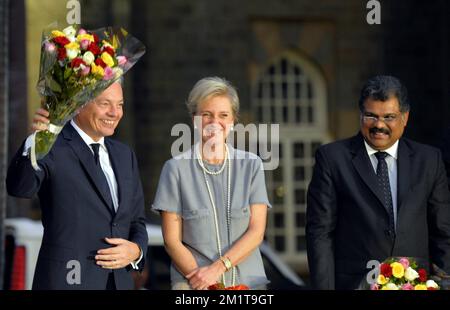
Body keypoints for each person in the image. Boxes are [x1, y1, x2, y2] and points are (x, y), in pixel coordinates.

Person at [306, 75, 450, 290]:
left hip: (417, 283)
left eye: (389, 117)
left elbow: (443, 233)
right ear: (360, 114)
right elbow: (320, 234)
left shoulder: (429, 160)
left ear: (405, 117)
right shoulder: (332, 158)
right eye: (370, 116)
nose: (379, 125)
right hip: (354, 284)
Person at [6, 81, 148, 290]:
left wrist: (136, 251)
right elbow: (20, 188)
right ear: (79, 104)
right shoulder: (51, 144)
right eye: (105, 104)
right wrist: (34, 143)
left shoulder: (125, 155)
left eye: (120, 105)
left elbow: (136, 222)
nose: (114, 113)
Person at [152, 77, 271, 290]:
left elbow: (256, 232)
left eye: (223, 115)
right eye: (206, 114)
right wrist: (208, 283)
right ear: (194, 119)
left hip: (248, 286)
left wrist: (217, 268)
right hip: (194, 285)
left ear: (233, 120)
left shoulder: (251, 166)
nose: (215, 122)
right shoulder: (175, 169)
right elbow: (172, 241)